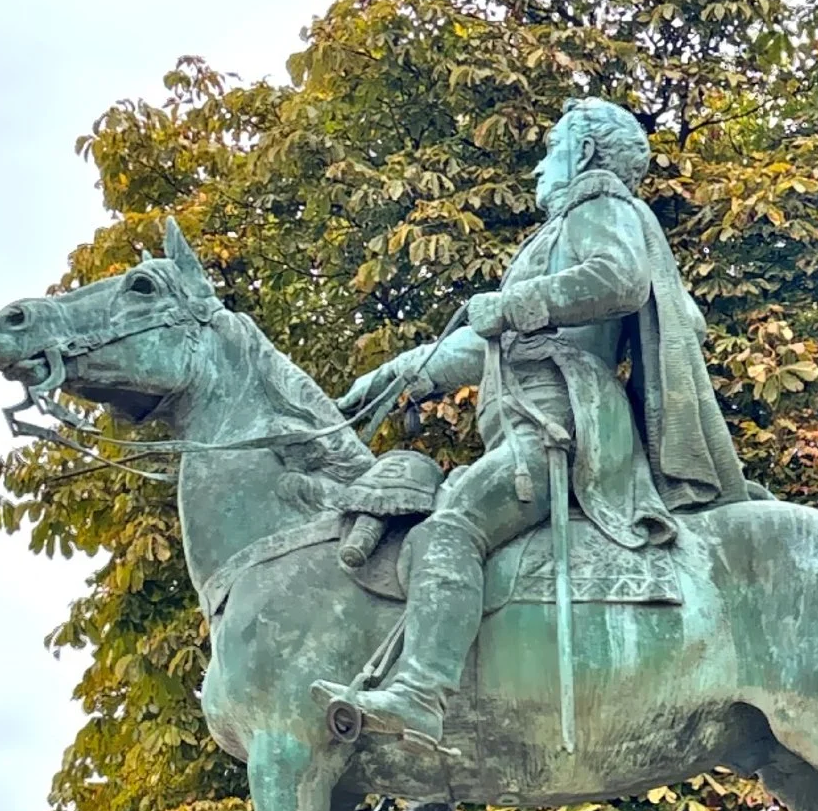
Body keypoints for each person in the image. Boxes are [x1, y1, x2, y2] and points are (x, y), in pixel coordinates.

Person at [322, 95, 758, 753]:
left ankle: (419, 699)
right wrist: (403, 372)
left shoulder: (599, 204)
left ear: (583, 154)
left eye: (551, 149)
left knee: (450, 528)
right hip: (531, 423)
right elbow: (490, 344)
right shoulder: (556, 236)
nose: (537, 168)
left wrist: (515, 302)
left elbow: (619, 280)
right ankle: (433, 782)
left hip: (559, 426)